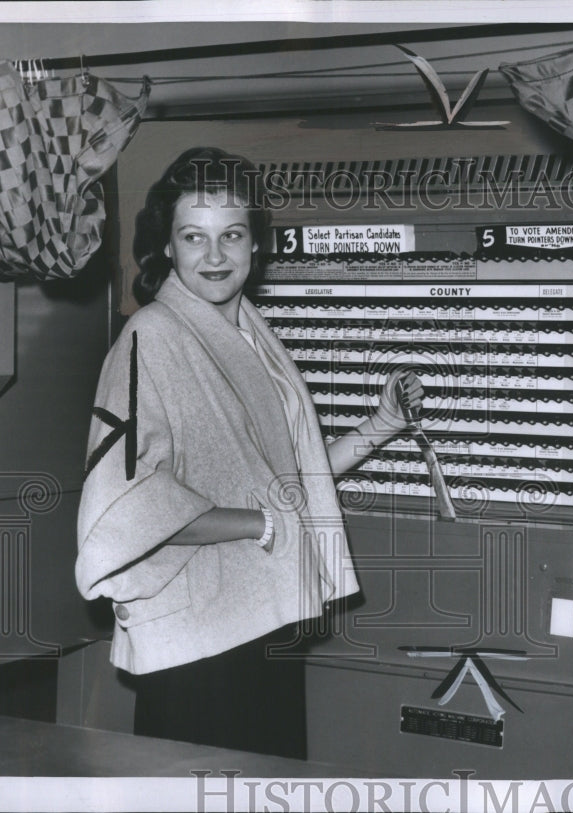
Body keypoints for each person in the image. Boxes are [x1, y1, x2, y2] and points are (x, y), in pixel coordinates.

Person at [75, 146, 423, 758]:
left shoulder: (250, 332)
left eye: (231, 235)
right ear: (167, 248)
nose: (214, 256)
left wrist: (381, 425)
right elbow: (125, 508)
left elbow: (291, 476)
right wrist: (259, 525)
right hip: (200, 639)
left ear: (255, 244)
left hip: (261, 617)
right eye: (193, 237)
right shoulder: (150, 338)